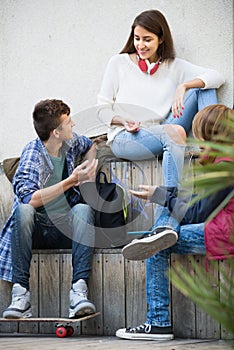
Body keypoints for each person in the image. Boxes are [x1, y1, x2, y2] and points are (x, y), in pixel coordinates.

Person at [97, 8, 224, 249]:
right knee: (174, 133)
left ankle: (219, 148)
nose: (140, 45)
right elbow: (102, 109)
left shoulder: (173, 66)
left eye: (147, 39)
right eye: (137, 38)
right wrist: (122, 120)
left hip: (161, 131)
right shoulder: (118, 63)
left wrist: (184, 86)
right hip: (127, 136)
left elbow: (216, 75)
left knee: (203, 87)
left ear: (161, 38)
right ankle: (165, 223)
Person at [116, 104, 234, 340]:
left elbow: (198, 212)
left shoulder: (226, 166)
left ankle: (157, 322)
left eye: (199, 134)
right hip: (220, 227)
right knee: (160, 234)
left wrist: (161, 195)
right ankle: (163, 230)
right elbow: (197, 205)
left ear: (213, 135)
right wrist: (162, 194)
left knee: (156, 246)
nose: (196, 140)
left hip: (224, 233)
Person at [0, 99, 99, 319]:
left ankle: (79, 292)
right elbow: (29, 199)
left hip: (64, 228)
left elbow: (91, 145)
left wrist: (90, 169)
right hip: (36, 231)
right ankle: (21, 296)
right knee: (23, 211)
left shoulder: (70, 144)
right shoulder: (33, 154)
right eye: (69, 122)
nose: (73, 124)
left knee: (83, 210)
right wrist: (71, 180)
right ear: (56, 132)